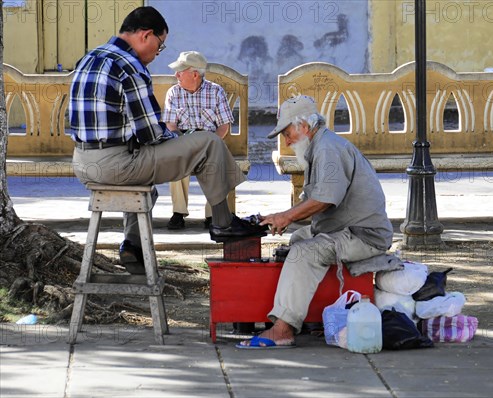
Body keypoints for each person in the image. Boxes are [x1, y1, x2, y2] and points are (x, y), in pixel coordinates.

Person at [68, 6, 266, 274]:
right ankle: (223, 222)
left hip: (82, 161)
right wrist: (180, 141)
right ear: (146, 36)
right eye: (160, 47)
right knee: (207, 142)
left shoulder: (90, 57)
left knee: (145, 179)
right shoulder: (129, 65)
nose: (156, 55)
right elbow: (152, 134)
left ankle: (133, 248)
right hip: (114, 164)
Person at [236, 95, 393, 349]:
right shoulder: (319, 146)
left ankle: (283, 329)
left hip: (365, 235)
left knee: (302, 253)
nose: (286, 141)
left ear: (305, 127)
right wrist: (279, 217)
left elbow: (325, 200)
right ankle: (311, 315)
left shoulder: (327, 149)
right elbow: (312, 203)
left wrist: (287, 216)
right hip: (345, 230)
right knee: (297, 239)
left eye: (288, 133)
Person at [162, 51, 234, 230]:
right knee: (176, 161)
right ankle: (178, 212)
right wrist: (182, 142)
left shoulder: (216, 91)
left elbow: (224, 126)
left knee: (215, 162)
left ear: (194, 74)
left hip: (209, 139)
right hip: (183, 138)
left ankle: (212, 214)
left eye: (180, 71)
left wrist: (212, 143)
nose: (176, 75)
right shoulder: (174, 92)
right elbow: (171, 125)